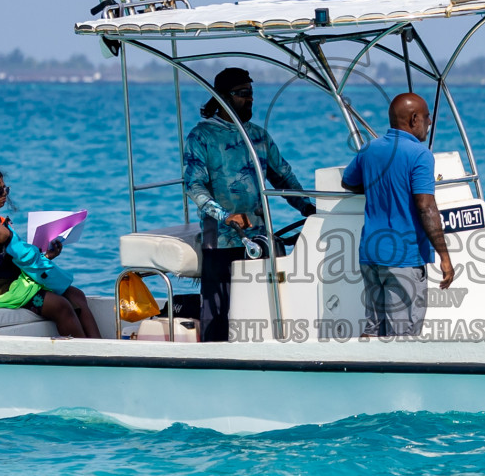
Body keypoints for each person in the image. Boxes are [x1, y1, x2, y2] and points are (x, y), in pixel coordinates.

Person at [182, 68, 315, 342]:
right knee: (218, 314)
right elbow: (194, 185)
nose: (250, 100)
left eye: (251, 94)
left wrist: (307, 208)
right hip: (220, 240)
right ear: (223, 97)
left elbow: (284, 176)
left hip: (259, 239)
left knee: (263, 309)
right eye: (242, 94)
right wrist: (225, 215)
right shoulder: (201, 136)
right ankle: (213, 365)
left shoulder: (259, 136)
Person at [340, 93, 456, 338]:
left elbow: (348, 182)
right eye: (427, 117)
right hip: (403, 257)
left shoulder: (370, 149)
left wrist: (376, 185)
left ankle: (368, 374)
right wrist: (444, 257)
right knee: (403, 335)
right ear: (414, 119)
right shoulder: (420, 154)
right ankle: (400, 377)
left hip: (370, 254)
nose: (430, 122)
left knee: (372, 329)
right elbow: (426, 207)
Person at [0, 165, 99, 338]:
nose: (4, 193)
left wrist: (45, 256)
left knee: (76, 295)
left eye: (5, 188)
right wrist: (12, 238)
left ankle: (102, 348)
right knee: (60, 305)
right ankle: (83, 356)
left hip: (10, 282)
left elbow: (10, 253)